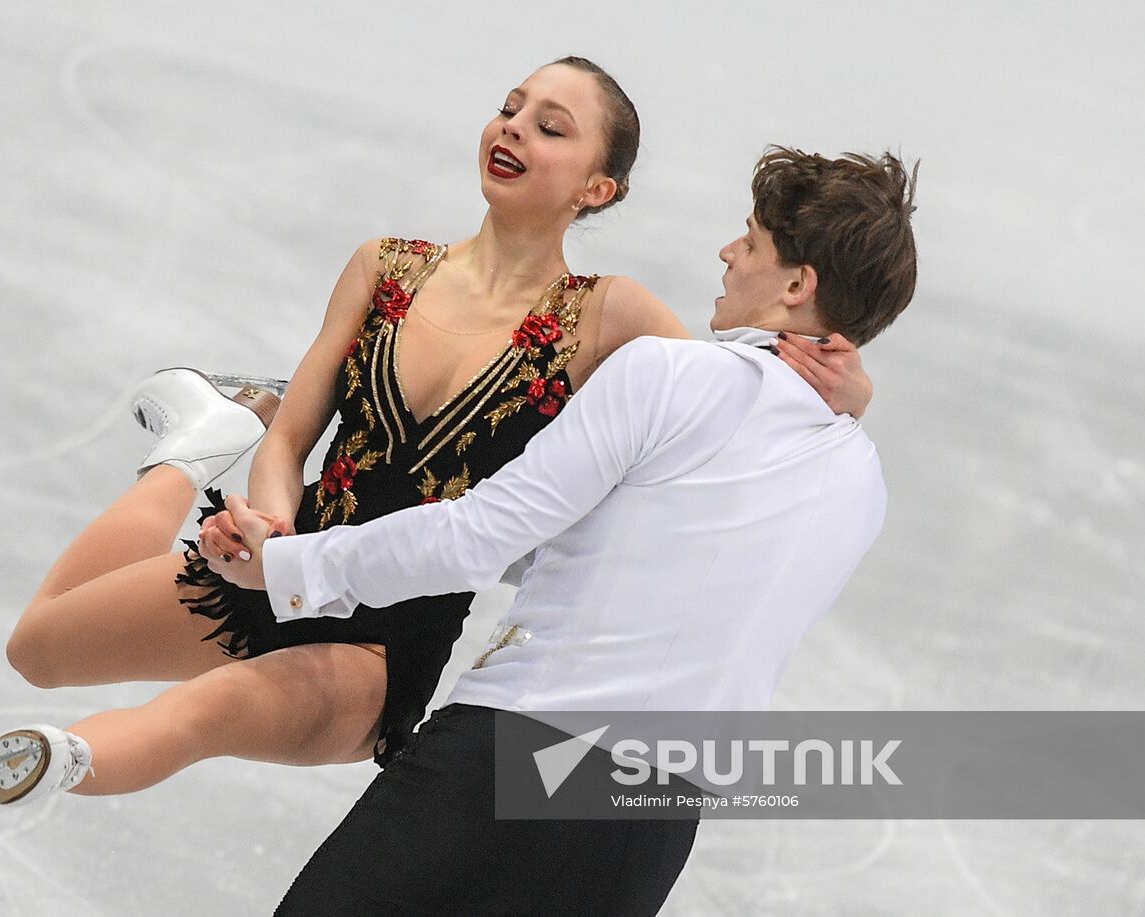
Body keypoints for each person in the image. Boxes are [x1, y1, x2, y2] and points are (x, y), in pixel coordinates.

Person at [0, 59, 869, 815]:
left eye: (551, 126)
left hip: (380, 645)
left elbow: (731, 398)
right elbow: (290, 435)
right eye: (510, 106)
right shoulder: (386, 266)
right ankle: (188, 455)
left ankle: (61, 758)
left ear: (600, 188)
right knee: (36, 648)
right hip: (280, 561)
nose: (512, 129)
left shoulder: (611, 318)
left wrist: (849, 394)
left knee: (202, 713)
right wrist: (268, 523)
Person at [205, 145, 919, 915]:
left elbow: (479, 537)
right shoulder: (863, 480)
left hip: (516, 755)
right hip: (651, 825)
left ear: (796, 284)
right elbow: (627, 551)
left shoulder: (668, 375)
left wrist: (286, 565)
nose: (728, 252)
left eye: (750, 240)